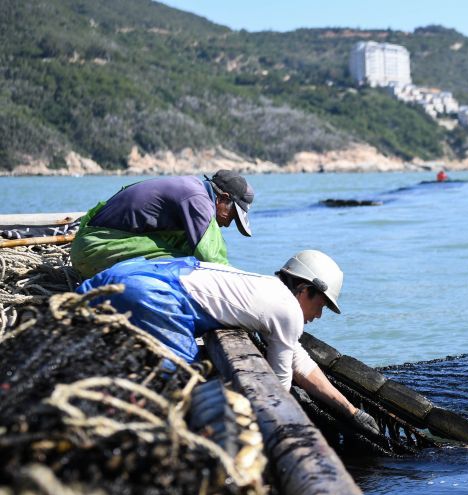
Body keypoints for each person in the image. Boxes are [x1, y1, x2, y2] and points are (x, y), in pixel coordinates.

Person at [76, 249, 381, 438]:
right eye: (322, 306)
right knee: (180, 377)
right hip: (159, 294)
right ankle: (125, 425)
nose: (319, 315)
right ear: (304, 290)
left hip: (139, 274)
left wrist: (350, 411)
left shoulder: (268, 289)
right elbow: (279, 385)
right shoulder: (288, 310)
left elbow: (297, 358)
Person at [71, 170, 255, 279]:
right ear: (222, 198)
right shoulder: (197, 199)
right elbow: (212, 259)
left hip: (92, 245)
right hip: (96, 249)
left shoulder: (192, 187)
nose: (228, 224)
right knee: (191, 268)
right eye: (232, 216)